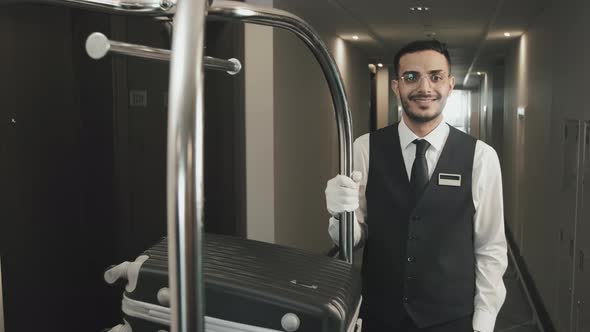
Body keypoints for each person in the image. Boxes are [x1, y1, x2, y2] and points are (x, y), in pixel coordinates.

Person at [325, 40, 507, 332]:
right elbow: (354, 237)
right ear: (397, 87)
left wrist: (483, 321)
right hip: (381, 314)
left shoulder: (481, 157)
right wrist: (338, 214)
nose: (424, 87)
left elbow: (490, 247)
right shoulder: (365, 148)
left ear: (450, 85)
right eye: (411, 77)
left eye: (435, 76)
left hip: (453, 318)